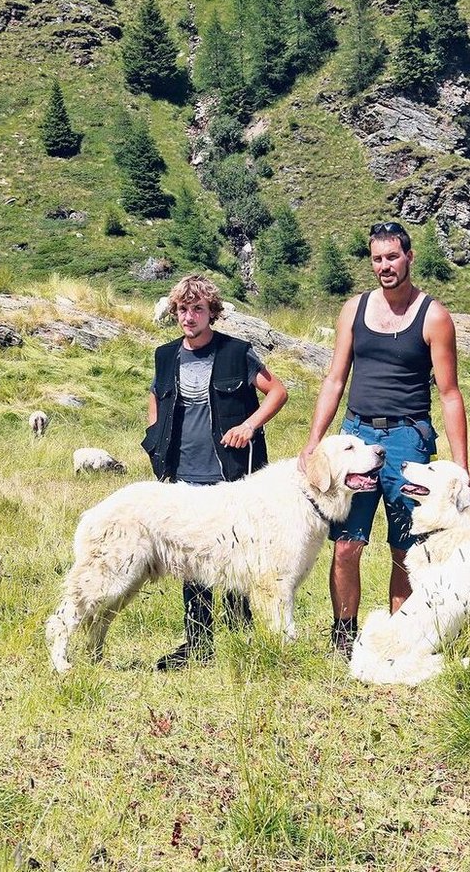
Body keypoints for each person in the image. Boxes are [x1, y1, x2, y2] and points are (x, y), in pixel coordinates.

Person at [299, 221, 469, 655]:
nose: (385, 266)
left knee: (405, 548)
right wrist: (315, 441)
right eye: (377, 259)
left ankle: (399, 639)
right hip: (356, 436)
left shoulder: (434, 316)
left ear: (409, 257)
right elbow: (335, 379)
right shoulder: (353, 310)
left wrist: (462, 467)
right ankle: (343, 638)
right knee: (346, 543)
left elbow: (449, 395)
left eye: (392, 257)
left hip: (408, 439)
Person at [142, 274, 289, 670]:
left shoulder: (237, 352)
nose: (189, 317)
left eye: (198, 310)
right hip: (183, 470)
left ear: (213, 313)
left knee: (236, 555)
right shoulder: (165, 354)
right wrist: (154, 439)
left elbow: (278, 392)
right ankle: (198, 645)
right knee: (192, 559)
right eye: (183, 310)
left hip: (232, 473)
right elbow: (156, 395)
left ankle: (241, 640)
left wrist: (249, 426)